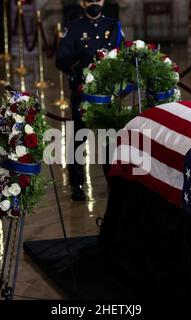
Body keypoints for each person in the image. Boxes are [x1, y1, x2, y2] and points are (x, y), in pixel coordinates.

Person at [56, 0, 124, 201]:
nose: (94, 3)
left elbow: (121, 54)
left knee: (108, 138)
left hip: (106, 92)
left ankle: (112, 180)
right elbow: (61, 59)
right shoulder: (74, 27)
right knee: (78, 136)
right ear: (81, 2)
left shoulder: (112, 26)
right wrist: (81, 69)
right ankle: (77, 184)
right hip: (83, 92)